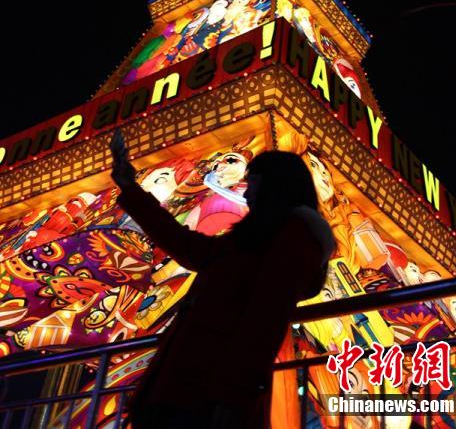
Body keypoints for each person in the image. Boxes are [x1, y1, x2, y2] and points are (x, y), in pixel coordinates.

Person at [110, 130, 335, 429]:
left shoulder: (293, 238)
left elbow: (265, 318)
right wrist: (130, 187)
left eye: (253, 184)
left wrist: (233, 395)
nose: (246, 194)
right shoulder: (249, 239)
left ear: (274, 188)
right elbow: (186, 245)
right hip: (187, 383)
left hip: (205, 390)